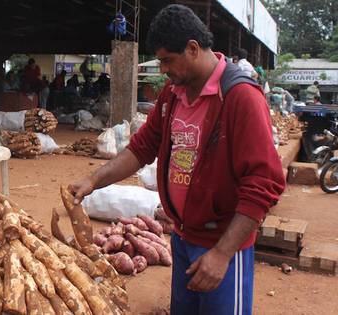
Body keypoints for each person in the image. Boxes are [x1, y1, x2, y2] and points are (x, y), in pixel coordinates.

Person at [69, 5, 285, 315]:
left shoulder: (240, 98)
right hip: (183, 238)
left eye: (167, 61)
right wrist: (93, 181)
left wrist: (223, 253)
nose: (163, 70)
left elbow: (265, 182)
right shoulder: (173, 94)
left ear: (193, 48)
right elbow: (141, 148)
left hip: (222, 244)